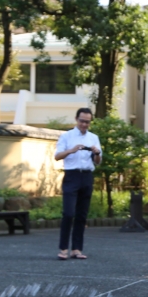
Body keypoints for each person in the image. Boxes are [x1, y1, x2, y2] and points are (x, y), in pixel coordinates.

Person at [53, 107, 102, 260]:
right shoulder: (66, 136)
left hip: (87, 176)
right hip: (72, 176)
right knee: (68, 213)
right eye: (82, 121)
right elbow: (57, 156)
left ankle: (76, 249)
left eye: (87, 122)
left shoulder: (93, 138)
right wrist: (71, 150)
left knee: (81, 215)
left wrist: (97, 153)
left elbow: (98, 162)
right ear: (76, 119)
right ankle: (63, 248)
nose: (84, 124)